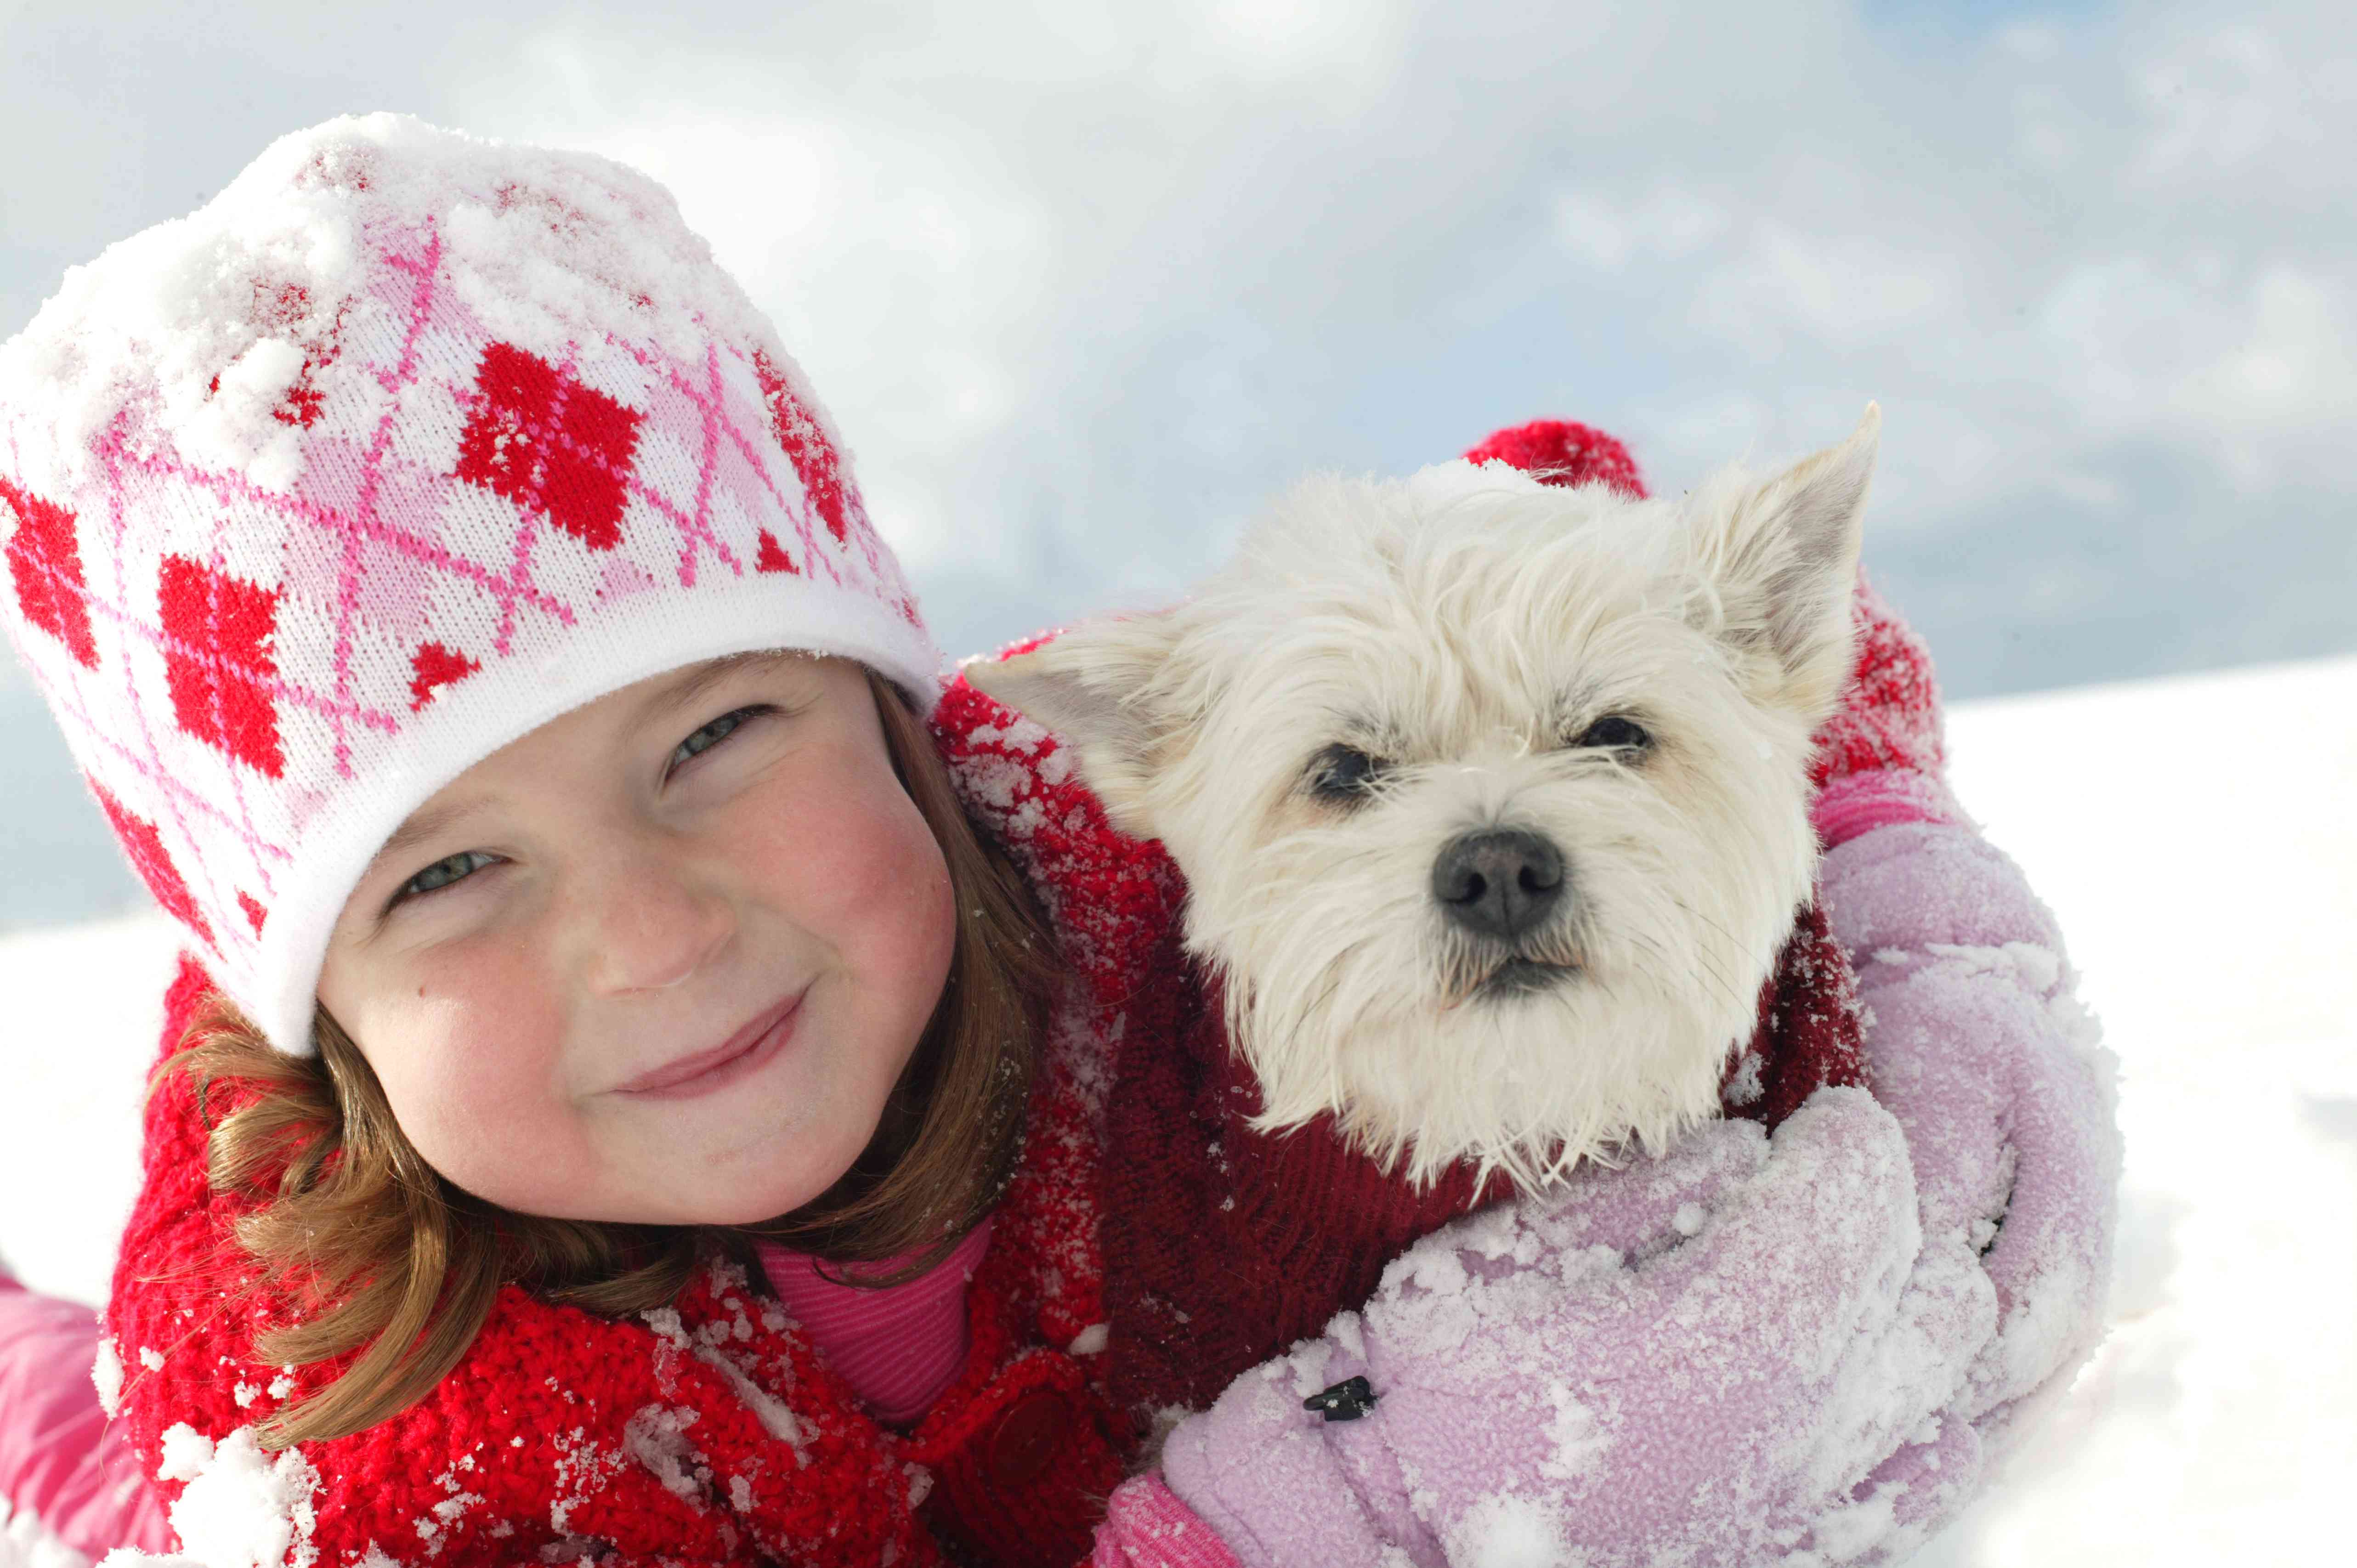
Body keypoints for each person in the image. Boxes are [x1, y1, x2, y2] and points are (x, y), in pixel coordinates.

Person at [0, 115, 2117, 1568]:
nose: (650, 932)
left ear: (916, 724)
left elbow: (1574, 526)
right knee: (78, 1434)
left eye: (718, 729)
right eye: (445, 866)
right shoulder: (389, 1454)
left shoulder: (1111, 846)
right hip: (280, 1367)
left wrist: (1879, 838)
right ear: (317, 995)